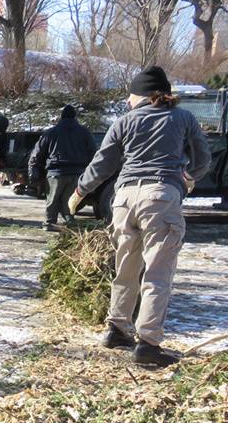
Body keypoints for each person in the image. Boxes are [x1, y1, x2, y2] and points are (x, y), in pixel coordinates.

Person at [70, 66, 211, 368]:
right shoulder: (183, 118)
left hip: (123, 200)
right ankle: (148, 343)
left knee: (126, 267)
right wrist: (188, 175)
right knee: (157, 272)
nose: (128, 101)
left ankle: (117, 329)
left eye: (131, 96)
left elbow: (102, 162)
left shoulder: (123, 122)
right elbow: (203, 157)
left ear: (146, 95)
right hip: (160, 196)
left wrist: (80, 192)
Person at [28, 104, 97, 231]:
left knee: (52, 199)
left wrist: (34, 168)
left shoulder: (51, 132)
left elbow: (37, 153)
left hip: (56, 172)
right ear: (75, 116)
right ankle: (70, 222)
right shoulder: (84, 132)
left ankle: (49, 223)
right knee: (70, 200)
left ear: (62, 116)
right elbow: (93, 152)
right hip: (77, 172)